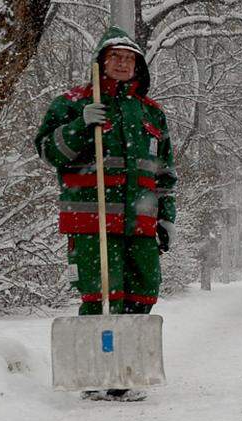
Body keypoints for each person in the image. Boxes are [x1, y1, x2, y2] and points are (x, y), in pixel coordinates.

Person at [35, 26, 178, 400]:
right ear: (100, 62)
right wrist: (82, 125)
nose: (122, 63)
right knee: (101, 296)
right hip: (91, 220)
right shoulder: (71, 103)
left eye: (129, 58)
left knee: (142, 294)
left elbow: (164, 172)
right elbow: (50, 152)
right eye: (115, 57)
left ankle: (126, 374)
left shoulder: (152, 113)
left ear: (139, 65)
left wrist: (165, 218)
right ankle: (96, 374)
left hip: (141, 222)